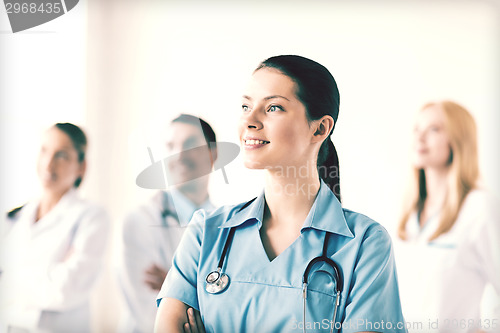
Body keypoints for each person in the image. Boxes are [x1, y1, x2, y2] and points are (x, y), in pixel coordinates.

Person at [154, 55, 407, 333]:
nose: (250, 120)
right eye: (245, 106)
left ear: (320, 128)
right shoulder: (206, 232)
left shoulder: (365, 244)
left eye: (273, 107)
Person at [395, 101, 500, 333]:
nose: (420, 138)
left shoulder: (480, 207)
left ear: (458, 139)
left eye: (434, 129)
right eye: (416, 129)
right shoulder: (410, 212)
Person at [0, 123, 109, 333]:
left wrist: (9, 279)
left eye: (62, 155)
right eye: (44, 151)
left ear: (81, 166)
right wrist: (47, 274)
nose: (48, 164)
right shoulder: (13, 217)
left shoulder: (92, 217)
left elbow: (66, 289)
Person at [117, 114, 217, 333]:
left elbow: (236, 309)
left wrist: (173, 287)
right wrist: (206, 293)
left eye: (190, 144)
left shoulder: (228, 227)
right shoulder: (140, 221)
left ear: (213, 154)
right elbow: (150, 316)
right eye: (171, 145)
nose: (179, 154)